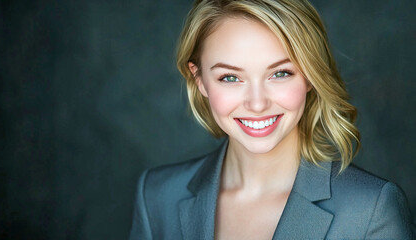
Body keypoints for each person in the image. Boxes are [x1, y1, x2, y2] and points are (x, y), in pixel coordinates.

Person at [129, 0, 415, 239]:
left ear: (310, 76)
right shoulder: (156, 195)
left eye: (280, 73)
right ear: (200, 80)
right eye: (230, 77)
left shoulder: (372, 209)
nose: (257, 103)